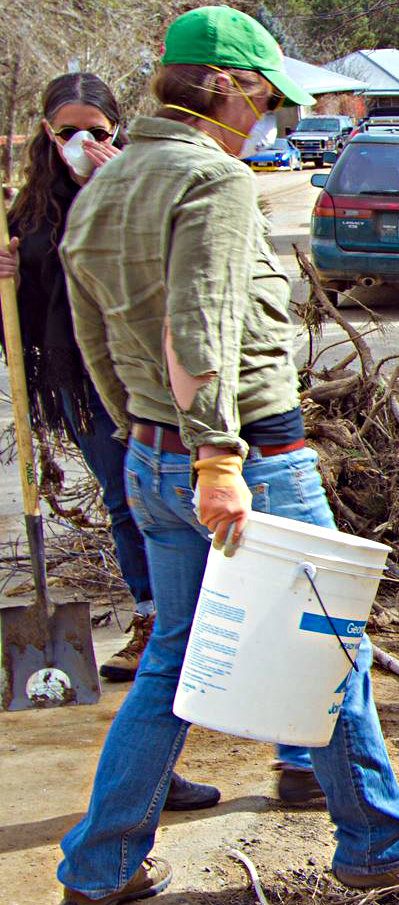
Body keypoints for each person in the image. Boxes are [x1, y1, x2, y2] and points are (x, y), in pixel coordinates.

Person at [55, 6, 399, 905]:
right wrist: (218, 458)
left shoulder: (107, 187)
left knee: (174, 660)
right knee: (327, 646)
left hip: (159, 457)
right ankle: (379, 849)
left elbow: (95, 342)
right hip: (244, 464)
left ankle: (102, 863)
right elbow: (196, 324)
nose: (271, 105)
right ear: (226, 85)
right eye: (265, 87)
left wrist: (151, 442)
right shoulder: (214, 181)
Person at [0, 74, 225, 812]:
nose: (81, 143)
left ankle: (165, 627)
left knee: (157, 518)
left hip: (142, 385)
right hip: (78, 381)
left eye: (95, 128)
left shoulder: (132, 187)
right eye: (66, 130)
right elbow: (29, 311)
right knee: (127, 507)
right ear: (44, 132)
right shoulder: (30, 210)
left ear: (117, 128)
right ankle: (149, 615)